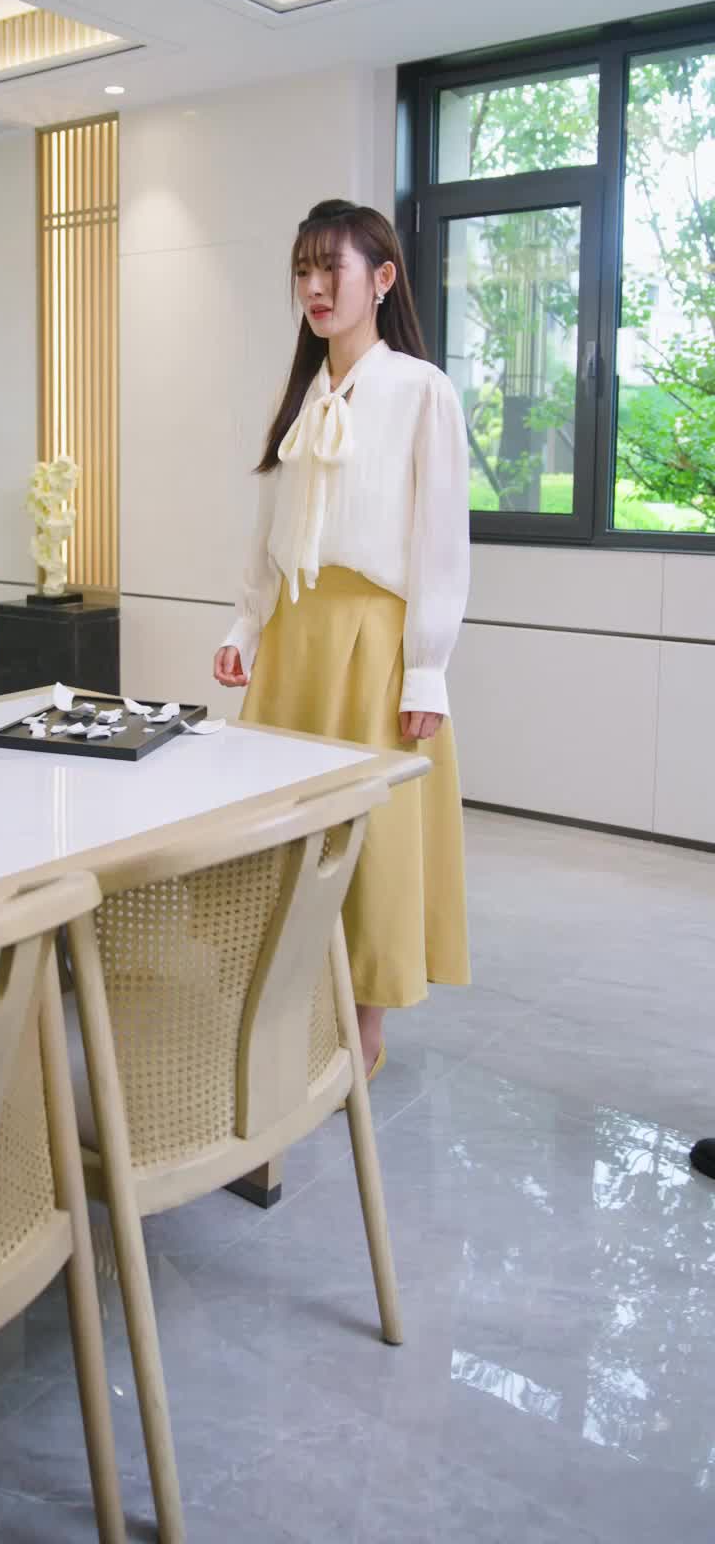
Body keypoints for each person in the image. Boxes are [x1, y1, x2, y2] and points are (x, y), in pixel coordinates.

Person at [214, 200, 471, 1081]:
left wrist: (427, 668)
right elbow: (268, 525)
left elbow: (440, 540)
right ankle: (293, 1004)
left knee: (371, 838)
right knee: (284, 832)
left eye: (333, 268)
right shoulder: (299, 397)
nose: (315, 288)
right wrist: (248, 622)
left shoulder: (422, 392)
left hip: (375, 640)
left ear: (382, 278)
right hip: (295, 633)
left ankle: (363, 1026)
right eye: (303, 271)